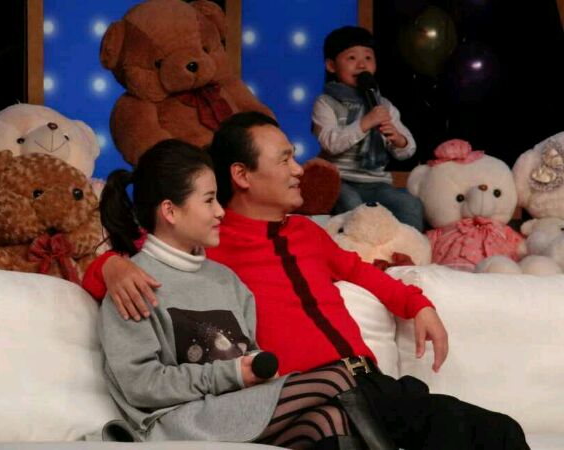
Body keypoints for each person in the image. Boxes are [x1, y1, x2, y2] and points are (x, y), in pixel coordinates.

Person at [85, 113, 529, 449]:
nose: (300, 169)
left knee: (500, 432)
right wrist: (109, 266)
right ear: (241, 175)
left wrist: (418, 303)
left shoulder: (306, 234)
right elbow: (147, 261)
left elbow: (361, 272)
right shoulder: (208, 242)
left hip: (369, 384)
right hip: (308, 392)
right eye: (284, 159)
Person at [97, 139, 377, 449]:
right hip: (177, 422)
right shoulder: (132, 284)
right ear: (170, 211)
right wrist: (231, 374)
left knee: (326, 420)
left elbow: (247, 353)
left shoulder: (226, 279)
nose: (220, 212)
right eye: (209, 200)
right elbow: (142, 384)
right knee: (338, 377)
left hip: (233, 409)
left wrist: (254, 371)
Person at [311, 26, 424, 231]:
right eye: (352, 58)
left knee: (410, 204)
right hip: (340, 181)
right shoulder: (326, 103)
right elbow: (330, 144)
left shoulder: (383, 105)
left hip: (376, 183)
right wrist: (365, 123)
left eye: (368, 58)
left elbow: (407, 151)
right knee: (353, 205)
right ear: (331, 65)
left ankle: (408, 248)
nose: (362, 64)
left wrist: (398, 139)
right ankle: (354, 249)